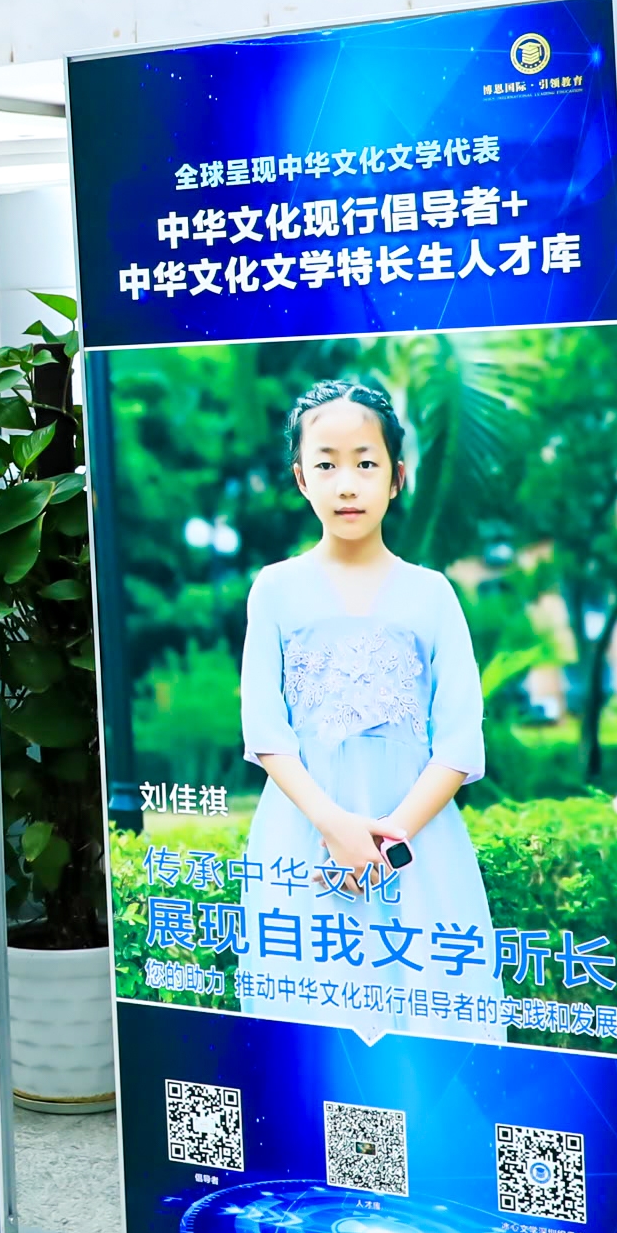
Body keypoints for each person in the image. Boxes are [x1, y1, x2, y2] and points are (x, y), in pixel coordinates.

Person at [233, 379, 500, 1043]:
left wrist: (388, 841)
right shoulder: (275, 588)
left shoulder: (433, 594)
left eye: (365, 463)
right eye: (326, 464)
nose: (346, 484)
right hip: (302, 837)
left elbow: (460, 740)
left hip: (417, 843)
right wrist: (335, 829)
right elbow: (265, 731)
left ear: (397, 476)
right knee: (308, 1032)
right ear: (301, 478)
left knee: (429, 1028)